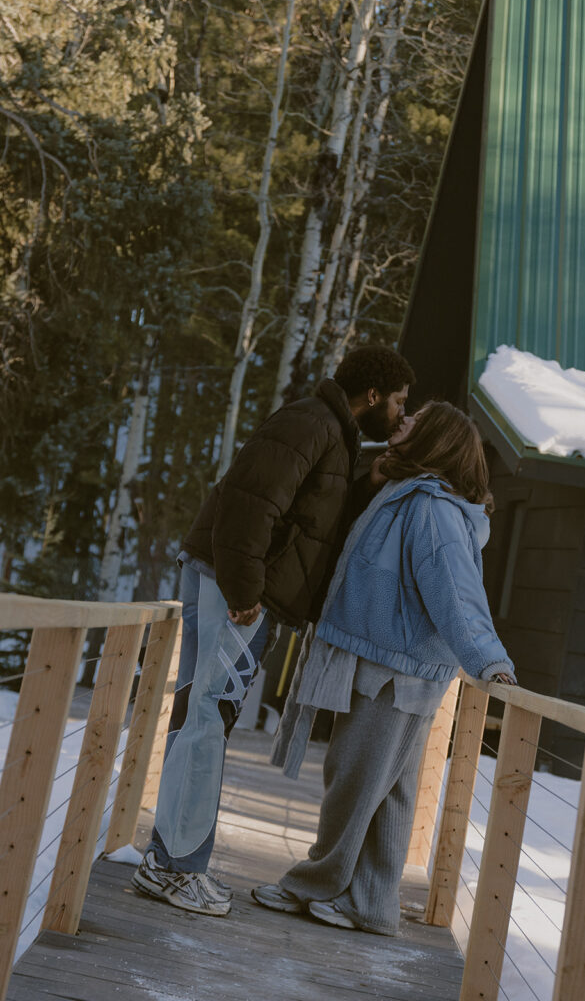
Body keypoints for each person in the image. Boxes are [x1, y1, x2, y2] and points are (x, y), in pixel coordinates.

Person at [132, 345, 416, 916]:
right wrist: (244, 592)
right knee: (208, 718)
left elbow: (309, 518)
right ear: (372, 396)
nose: (400, 412)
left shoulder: (332, 433)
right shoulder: (310, 422)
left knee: (200, 718)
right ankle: (175, 870)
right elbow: (248, 504)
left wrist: (366, 483)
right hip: (232, 589)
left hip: (231, 585)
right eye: (400, 401)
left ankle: (165, 862)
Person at [252, 401, 516, 936]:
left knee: (353, 776)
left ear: (435, 439)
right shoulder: (411, 493)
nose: (403, 421)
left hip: (396, 669)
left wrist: (490, 661)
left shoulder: (433, 508)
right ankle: (371, 904)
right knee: (387, 789)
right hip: (398, 662)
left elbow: (457, 594)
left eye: (415, 419)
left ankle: (315, 882)